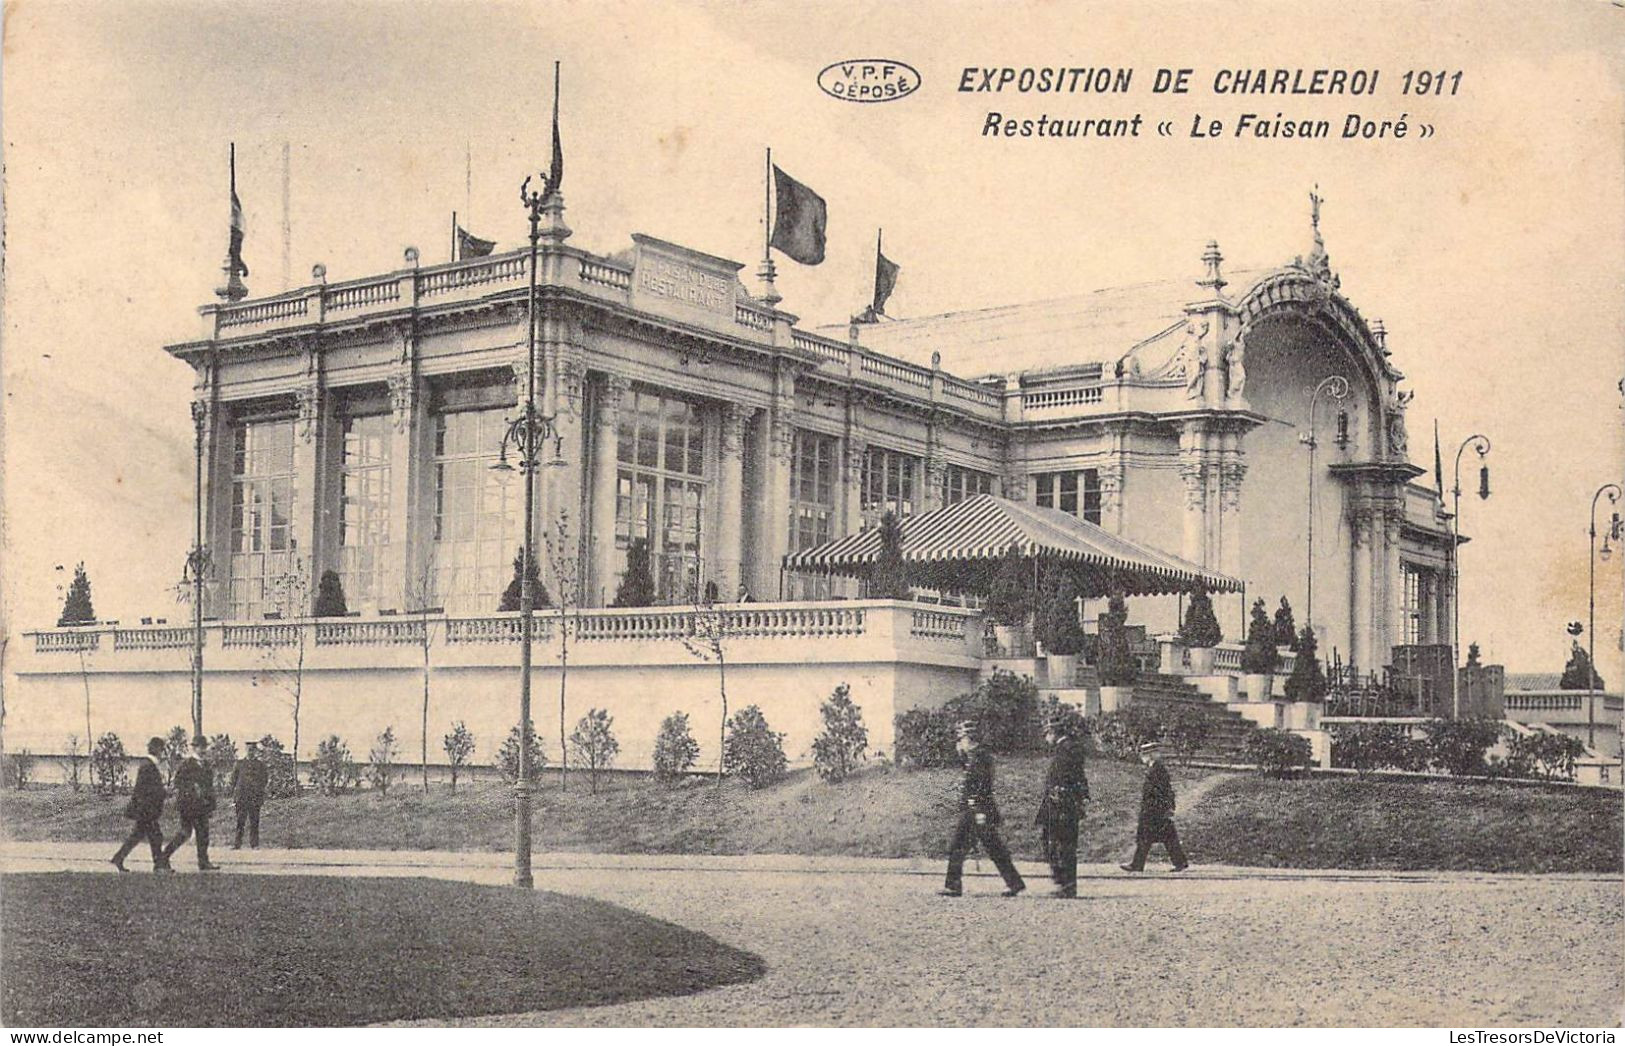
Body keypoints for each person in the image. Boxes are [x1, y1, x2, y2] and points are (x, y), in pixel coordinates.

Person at [941, 721, 1025, 898]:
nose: (960, 742)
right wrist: (962, 756)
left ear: (967, 738)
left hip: (977, 810)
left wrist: (978, 809)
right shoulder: (976, 756)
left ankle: (953, 886)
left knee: (961, 847)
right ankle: (1014, 882)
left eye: (961, 739)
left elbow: (982, 785)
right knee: (992, 848)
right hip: (976, 810)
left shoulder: (980, 757)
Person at [1035, 712, 1090, 898]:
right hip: (1062, 803)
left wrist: (1064, 795)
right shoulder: (1068, 748)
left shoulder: (1066, 749)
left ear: (1053, 732)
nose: (1046, 738)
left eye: (1047, 733)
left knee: (1060, 844)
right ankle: (1065, 883)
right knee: (1057, 843)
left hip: (1061, 804)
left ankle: (1065, 884)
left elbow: (1070, 778)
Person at [1121, 741, 1189, 873]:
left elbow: (1163, 791)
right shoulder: (1156, 769)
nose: (1142, 757)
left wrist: (1164, 808)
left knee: (1147, 837)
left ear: (1151, 755)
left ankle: (1137, 865)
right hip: (1157, 810)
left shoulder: (1157, 770)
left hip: (1154, 810)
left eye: (1145, 754)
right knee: (1165, 836)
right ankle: (1180, 862)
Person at [112, 736, 171, 873]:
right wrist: (163, 792)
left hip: (144, 808)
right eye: (162, 750)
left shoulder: (148, 765)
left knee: (138, 836)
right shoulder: (148, 766)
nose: (163, 753)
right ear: (157, 750)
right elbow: (147, 789)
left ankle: (119, 857)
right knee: (156, 836)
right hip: (146, 809)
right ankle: (159, 865)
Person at [162, 735, 220, 871]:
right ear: (194, 748)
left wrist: (211, 804)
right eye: (199, 747)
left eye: (204, 747)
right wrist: (192, 789)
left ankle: (203, 862)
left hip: (202, 806)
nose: (202, 750)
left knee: (203, 834)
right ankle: (164, 857)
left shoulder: (206, 765)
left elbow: (209, 786)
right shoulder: (187, 764)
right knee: (185, 833)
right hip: (188, 805)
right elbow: (178, 783)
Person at [230, 740, 269, 848]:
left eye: (253, 750)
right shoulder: (239, 764)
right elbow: (233, 780)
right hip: (241, 798)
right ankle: (237, 844)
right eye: (249, 750)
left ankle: (254, 844)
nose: (250, 752)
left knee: (254, 822)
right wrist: (234, 795)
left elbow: (264, 779)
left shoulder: (260, 765)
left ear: (255, 751)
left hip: (254, 798)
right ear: (246, 751)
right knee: (240, 822)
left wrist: (259, 792)